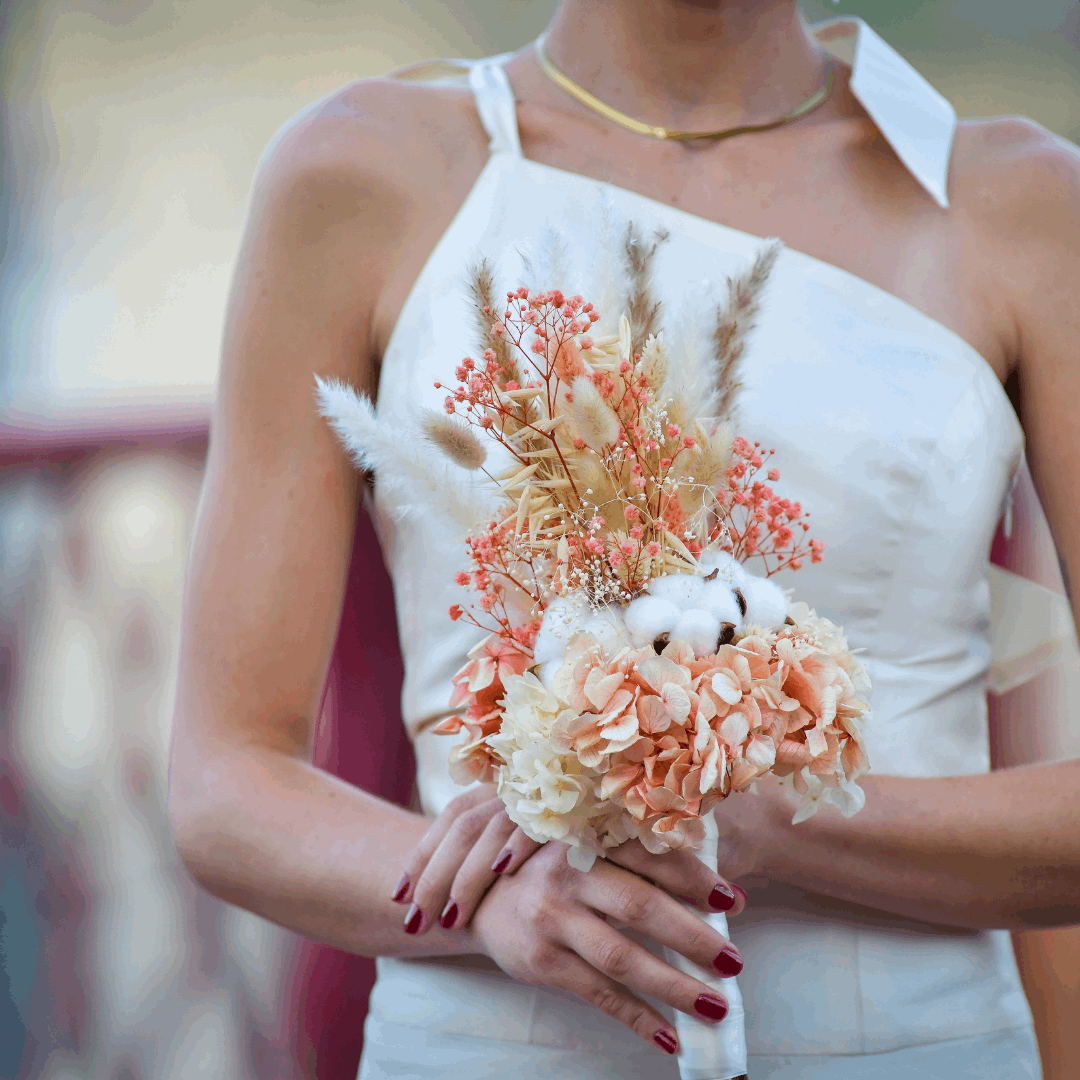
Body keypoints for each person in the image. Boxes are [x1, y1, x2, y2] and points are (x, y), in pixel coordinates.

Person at [166, 2, 1080, 1078]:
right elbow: (226, 780)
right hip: (489, 1044)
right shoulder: (362, 169)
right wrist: (490, 894)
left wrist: (780, 824)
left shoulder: (1024, 203)